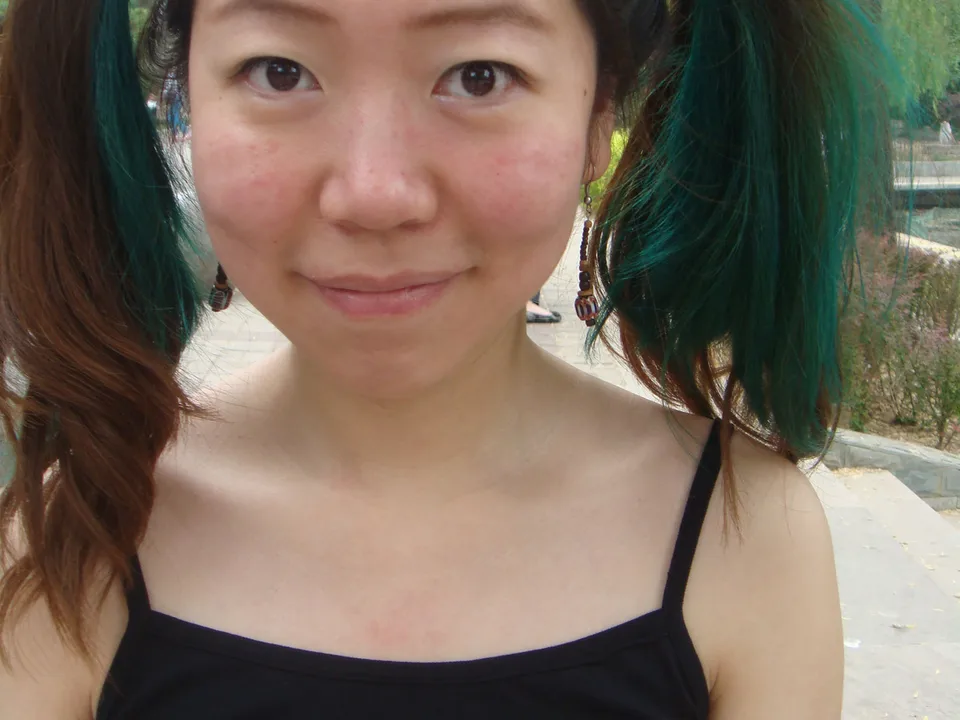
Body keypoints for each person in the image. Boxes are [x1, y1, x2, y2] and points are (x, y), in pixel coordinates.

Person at [0, 0, 895, 718]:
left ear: (600, 116)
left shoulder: (745, 537)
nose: (374, 194)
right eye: (280, 71)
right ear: (185, 106)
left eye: (479, 75)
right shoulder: (72, 540)